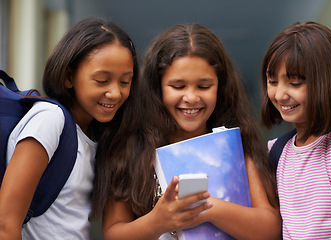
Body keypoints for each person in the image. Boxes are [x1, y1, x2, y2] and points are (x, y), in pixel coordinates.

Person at [91, 23, 281, 240]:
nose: (191, 98)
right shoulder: (131, 149)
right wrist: (158, 221)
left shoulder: (235, 146)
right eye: (178, 86)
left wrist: (207, 208)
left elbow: (270, 229)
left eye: (203, 86)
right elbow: (113, 233)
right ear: (157, 87)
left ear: (220, 86)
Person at [0, 17, 139, 239]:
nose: (115, 93)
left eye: (125, 82)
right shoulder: (50, 120)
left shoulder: (98, 136)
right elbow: (5, 225)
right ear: (68, 77)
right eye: (102, 81)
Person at [261, 21, 331, 239]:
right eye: (272, 81)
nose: (279, 95)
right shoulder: (276, 152)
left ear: (328, 81)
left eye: (294, 83)